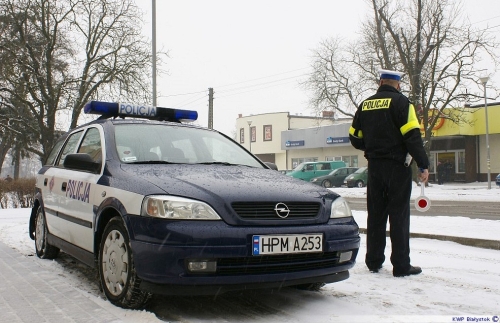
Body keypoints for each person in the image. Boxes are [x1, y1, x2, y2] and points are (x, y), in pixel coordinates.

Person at [349, 69, 429, 277]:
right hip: (397, 167)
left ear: (381, 81)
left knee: (375, 215)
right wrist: (423, 164)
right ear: (398, 84)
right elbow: (412, 137)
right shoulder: (402, 103)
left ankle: (374, 261)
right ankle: (401, 265)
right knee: (399, 216)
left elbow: (354, 137)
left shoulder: (365, 104)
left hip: (374, 167)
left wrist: (373, 147)